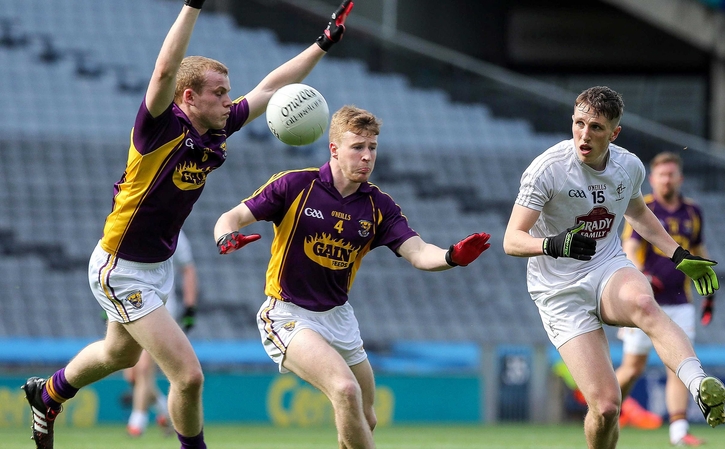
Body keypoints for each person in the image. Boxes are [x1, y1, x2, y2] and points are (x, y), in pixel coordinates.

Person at [21, 1, 355, 448]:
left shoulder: (216, 127)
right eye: (218, 92)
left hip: (156, 266)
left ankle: (48, 394)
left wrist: (323, 43)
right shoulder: (157, 127)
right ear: (189, 97)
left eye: (228, 91)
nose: (228, 100)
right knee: (189, 375)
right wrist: (193, 5)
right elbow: (163, 72)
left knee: (119, 353)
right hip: (120, 265)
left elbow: (273, 86)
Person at [213, 105, 491, 449]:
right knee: (344, 389)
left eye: (372, 147)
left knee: (367, 417)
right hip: (288, 314)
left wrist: (452, 256)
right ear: (334, 149)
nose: (367, 156)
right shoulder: (295, 185)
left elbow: (419, 253)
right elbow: (233, 216)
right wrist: (225, 235)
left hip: (339, 318)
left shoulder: (378, 206)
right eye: (357, 147)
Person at [502, 86, 725, 449]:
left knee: (644, 303)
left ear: (614, 132)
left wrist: (679, 256)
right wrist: (553, 243)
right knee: (606, 407)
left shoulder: (629, 167)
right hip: (559, 291)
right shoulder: (548, 169)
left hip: (607, 267)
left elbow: (639, 213)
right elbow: (511, 239)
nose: (584, 135)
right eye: (578, 124)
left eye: (595, 127)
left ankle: (699, 383)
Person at [615, 151, 716, 446]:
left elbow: (699, 249)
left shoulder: (693, 212)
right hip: (645, 300)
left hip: (680, 301)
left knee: (679, 364)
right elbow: (630, 248)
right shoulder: (642, 206)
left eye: (671, 174)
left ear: (679, 178)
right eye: (661, 174)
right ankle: (602, 408)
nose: (666, 179)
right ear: (653, 178)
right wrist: (643, 274)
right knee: (633, 367)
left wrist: (708, 290)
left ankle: (678, 432)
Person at [125, 229, 198, 437]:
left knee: (144, 367)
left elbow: (188, 268)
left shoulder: (175, 232)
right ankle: (165, 411)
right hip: (130, 303)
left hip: (161, 307)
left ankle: (136, 422)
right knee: (132, 374)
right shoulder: (132, 224)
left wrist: (190, 306)